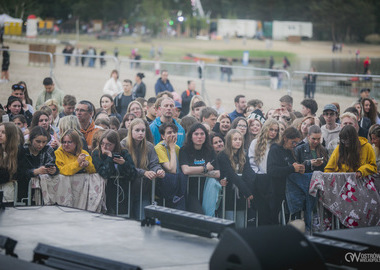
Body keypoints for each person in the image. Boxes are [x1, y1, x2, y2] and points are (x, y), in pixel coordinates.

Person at [125, 119, 164, 219]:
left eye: (143, 130)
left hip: (142, 191)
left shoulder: (149, 146)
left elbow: (154, 163)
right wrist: (144, 172)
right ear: (131, 131)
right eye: (137, 130)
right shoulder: (123, 145)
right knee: (124, 221)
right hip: (125, 191)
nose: (140, 133)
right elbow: (127, 167)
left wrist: (158, 170)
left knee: (143, 219)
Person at [92, 130, 136, 215]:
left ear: (115, 144)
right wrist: (109, 157)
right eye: (103, 143)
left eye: (109, 144)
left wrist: (124, 164)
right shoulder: (96, 153)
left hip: (121, 193)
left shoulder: (123, 152)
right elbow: (105, 173)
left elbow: (133, 174)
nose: (105, 147)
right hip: (104, 193)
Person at [179, 123, 220, 214]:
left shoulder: (210, 150)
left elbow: (217, 173)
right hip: (190, 191)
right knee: (199, 214)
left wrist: (197, 171)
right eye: (196, 134)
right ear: (190, 136)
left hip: (206, 191)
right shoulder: (184, 150)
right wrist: (205, 168)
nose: (199, 137)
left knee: (208, 216)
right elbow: (186, 170)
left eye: (202, 134)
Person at [267, 127, 305, 224]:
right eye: (293, 142)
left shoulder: (290, 151)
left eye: (297, 143)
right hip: (276, 192)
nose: (295, 145)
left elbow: (292, 167)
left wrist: (299, 169)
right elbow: (272, 170)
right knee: (275, 222)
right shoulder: (275, 149)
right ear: (285, 138)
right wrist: (292, 169)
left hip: (288, 192)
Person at [217, 129, 253, 227]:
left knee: (241, 225)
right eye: (235, 139)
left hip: (241, 196)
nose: (238, 141)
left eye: (240, 139)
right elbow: (231, 175)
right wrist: (247, 192)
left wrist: (248, 190)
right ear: (229, 141)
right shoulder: (223, 155)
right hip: (228, 195)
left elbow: (248, 173)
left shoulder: (244, 155)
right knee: (229, 225)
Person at [248, 119, 280, 225]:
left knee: (273, 213)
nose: (273, 133)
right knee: (263, 213)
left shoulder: (277, 144)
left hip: (273, 180)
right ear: (266, 129)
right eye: (271, 129)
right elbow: (252, 161)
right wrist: (258, 174)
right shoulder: (255, 142)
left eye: (276, 130)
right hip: (260, 180)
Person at [18, 126, 58, 200]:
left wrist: (54, 170)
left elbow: (54, 165)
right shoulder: (23, 150)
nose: (41, 145)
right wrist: (35, 171)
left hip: (45, 191)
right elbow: (19, 172)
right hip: (24, 191)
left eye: (44, 142)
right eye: (38, 141)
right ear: (31, 139)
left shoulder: (48, 150)